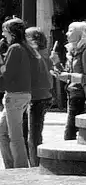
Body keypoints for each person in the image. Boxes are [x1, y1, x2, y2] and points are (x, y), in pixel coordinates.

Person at [0, 20, 32, 170]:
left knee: (15, 136)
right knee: (3, 132)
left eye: (4, 31)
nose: (3, 34)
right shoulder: (24, 47)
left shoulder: (15, 48)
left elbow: (7, 74)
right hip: (21, 94)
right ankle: (11, 166)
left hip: (14, 95)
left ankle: (19, 169)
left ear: (11, 32)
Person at [23, 27, 55, 165]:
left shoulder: (34, 53)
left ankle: (35, 164)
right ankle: (35, 162)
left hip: (36, 96)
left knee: (33, 135)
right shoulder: (45, 53)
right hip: (44, 95)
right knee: (35, 133)